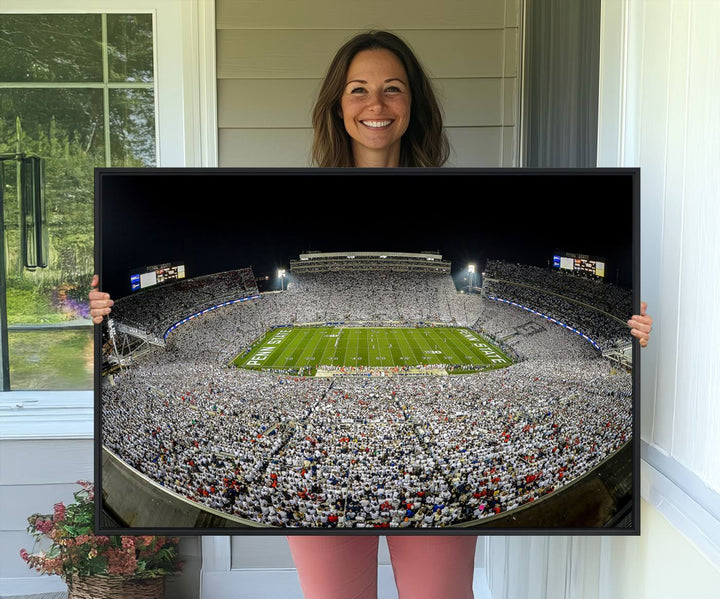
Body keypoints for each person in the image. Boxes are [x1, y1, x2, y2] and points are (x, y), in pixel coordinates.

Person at [89, 30, 653, 599]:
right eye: (358, 90)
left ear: (414, 104)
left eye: (393, 89)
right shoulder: (294, 192)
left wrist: (634, 331)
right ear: (337, 104)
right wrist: (97, 316)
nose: (376, 105)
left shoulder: (456, 193)